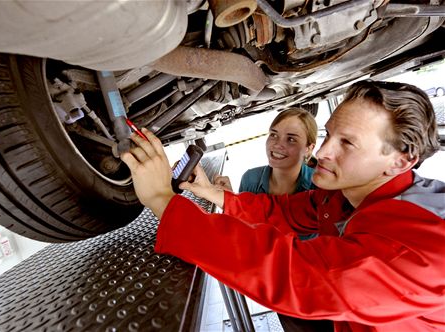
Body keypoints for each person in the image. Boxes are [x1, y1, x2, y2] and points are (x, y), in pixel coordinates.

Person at [121, 80, 445, 331]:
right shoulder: (343, 193)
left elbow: (294, 275)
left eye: (347, 142)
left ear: (401, 160)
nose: (323, 153)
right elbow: (282, 213)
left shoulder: (422, 246)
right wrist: (215, 195)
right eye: (329, 134)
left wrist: (162, 200)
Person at [214, 108, 332, 331]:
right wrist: (228, 199)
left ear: (309, 149)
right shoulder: (251, 178)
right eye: (274, 134)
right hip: (278, 286)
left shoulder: (319, 187)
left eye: (291, 139)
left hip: (317, 286)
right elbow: (244, 234)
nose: (277, 144)